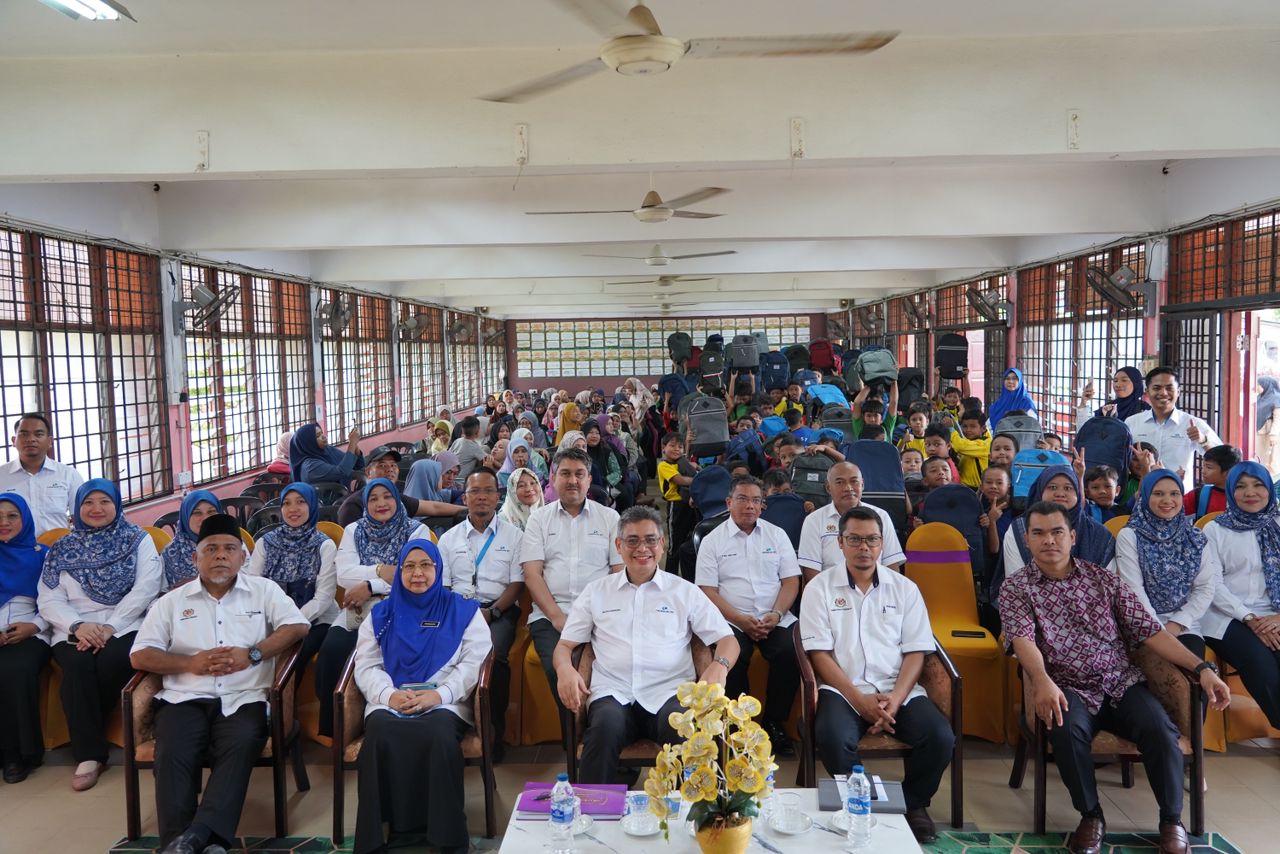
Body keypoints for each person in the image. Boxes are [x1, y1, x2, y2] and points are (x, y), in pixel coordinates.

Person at [999, 501, 1230, 854]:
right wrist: (1042, 680)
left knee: (1160, 730)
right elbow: (1022, 639)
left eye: (1057, 532)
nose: (1049, 541)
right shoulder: (1016, 588)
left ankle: (1171, 821)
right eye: (1039, 534)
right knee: (1065, 728)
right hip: (1068, 685)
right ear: (1027, 541)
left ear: (1072, 537)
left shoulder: (1103, 579)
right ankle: (1090, 816)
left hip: (1120, 682)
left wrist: (1202, 669)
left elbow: (1151, 632)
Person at [129, 513, 309, 854]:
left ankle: (197, 836)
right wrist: (190, 663)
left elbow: (297, 626)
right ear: (195, 558)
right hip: (184, 697)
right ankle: (184, 841)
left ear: (243, 557)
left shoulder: (263, 590)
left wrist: (253, 654)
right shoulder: (171, 602)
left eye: (229, 549)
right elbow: (140, 655)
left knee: (242, 741)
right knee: (172, 751)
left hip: (245, 698)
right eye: (210, 549)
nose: (221, 556)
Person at [800, 506, 954, 844]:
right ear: (840, 543)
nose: (864, 547)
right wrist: (860, 701)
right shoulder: (819, 589)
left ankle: (914, 804)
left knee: (941, 737)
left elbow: (917, 650)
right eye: (855, 539)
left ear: (882, 543)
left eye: (872, 539)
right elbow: (819, 655)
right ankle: (862, 804)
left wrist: (895, 701)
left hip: (897, 689)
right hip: (843, 689)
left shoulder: (904, 588)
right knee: (832, 736)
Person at [553, 506, 738, 784]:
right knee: (603, 729)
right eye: (632, 540)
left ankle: (686, 817)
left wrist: (719, 667)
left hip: (670, 692)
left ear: (662, 544)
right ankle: (594, 814)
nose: (643, 548)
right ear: (618, 545)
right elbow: (565, 645)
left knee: (683, 730)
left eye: (651, 539)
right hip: (613, 693)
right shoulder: (596, 592)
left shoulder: (684, 591)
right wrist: (565, 670)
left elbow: (728, 641)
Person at [352, 539, 491, 854]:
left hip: (445, 701)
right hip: (391, 701)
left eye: (426, 565)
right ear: (399, 571)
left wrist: (439, 696)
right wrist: (389, 696)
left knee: (438, 734)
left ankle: (447, 837)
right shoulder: (381, 614)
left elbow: (474, 664)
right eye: (409, 566)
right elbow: (367, 665)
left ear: (438, 569)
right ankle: (378, 837)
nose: (418, 573)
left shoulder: (463, 610)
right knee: (379, 734)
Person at [36, 478, 163, 791]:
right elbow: (49, 597)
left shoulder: (138, 539)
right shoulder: (62, 547)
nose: (96, 509)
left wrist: (110, 626)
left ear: (116, 505)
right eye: (88, 503)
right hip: (73, 628)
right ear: (77, 508)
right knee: (77, 668)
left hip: (125, 623)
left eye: (104, 502)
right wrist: (79, 626)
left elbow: (145, 588)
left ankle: (92, 727)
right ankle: (90, 755)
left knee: (112, 661)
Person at [313, 478, 432, 738]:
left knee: (385, 656)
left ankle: (386, 720)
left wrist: (369, 585)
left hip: (401, 608)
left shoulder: (416, 531)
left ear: (398, 500)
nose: (381, 503)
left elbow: (415, 576)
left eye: (387, 496)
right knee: (332, 652)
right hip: (358, 610)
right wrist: (381, 572)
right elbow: (344, 574)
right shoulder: (355, 530)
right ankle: (337, 729)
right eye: (373, 498)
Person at [695, 475, 801, 756]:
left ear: (763, 505)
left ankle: (774, 723)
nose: (750, 506)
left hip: (773, 617)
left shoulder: (777, 535)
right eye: (742, 499)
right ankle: (740, 726)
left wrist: (777, 614)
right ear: (729, 502)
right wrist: (741, 620)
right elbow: (707, 590)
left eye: (756, 500)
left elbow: (791, 581)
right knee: (735, 655)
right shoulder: (711, 540)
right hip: (731, 619)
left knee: (790, 652)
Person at [521, 447, 622, 706]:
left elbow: (619, 572)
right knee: (560, 673)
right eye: (565, 473)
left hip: (602, 614)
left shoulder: (610, 518)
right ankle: (576, 740)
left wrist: (601, 615)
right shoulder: (539, 520)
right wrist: (557, 618)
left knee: (609, 672)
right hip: (550, 616)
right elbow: (532, 574)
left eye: (580, 474)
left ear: (589, 479)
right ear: (553, 477)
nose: (572, 481)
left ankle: (599, 732)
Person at [437, 468, 524, 753]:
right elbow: (445, 587)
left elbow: (516, 585)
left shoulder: (514, 536)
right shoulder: (449, 539)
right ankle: (451, 724)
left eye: (488, 491)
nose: (482, 497)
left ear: (498, 497)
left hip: (498, 610)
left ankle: (492, 732)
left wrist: (493, 612)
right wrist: (462, 614)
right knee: (444, 654)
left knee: (494, 657)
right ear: (466, 497)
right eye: (476, 492)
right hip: (458, 610)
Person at [1201, 462, 1280, 731]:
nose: (1250, 492)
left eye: (1258, 485)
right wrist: (1250, 618)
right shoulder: (1216, 530)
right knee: (1259, 661)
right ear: (1230, 491)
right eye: (1241, 486)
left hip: (1275, 615)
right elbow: (1212, 584)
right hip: (1227, 616)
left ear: (1269, 488)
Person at [1115, 470, 1217, 662]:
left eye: (1174, 494)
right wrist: (1159, 632)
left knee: (1195, 680)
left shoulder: (1195, 537)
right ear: (1145, 497)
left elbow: (1205, 587)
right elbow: (1134, 590)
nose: (1167, 500)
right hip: (1143, 625)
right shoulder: (1130, 536)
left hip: (1185, 624)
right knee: (1165, 682)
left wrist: (1178, 623)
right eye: (1158, 493)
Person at [245, 483, 337, 673]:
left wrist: (289, 624)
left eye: (300, 502)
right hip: (272, 620)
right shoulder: (266, 542)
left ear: (311, 506)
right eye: (286, 503)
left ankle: (286, 702)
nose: (293, 509)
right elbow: (253, 587)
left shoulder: (324, 545)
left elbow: (324, 598)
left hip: (315, 620)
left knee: (293, 657)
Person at [0, 493, 51, 783]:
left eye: (12, 516)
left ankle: (18, 753)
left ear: (25, 519)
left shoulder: (41, 554)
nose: (3, 522)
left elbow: (57, 601)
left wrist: (33, 626)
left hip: (32, 629)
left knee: (15, 669)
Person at [999, 466, 1115, 589]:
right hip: (1030, 604)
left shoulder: (1099, 535)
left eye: (1068, 488)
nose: (1060, 494)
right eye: (1052, 487)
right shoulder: (1020, 529)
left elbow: (1107, 588)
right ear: (1040, 490)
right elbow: (1017, 586)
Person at [798, 462, 905, 581]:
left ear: (862, 484)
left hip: (875, 593)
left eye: (854, 481)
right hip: (830, 593)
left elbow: (892, 566)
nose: (848, 488)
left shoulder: (881, 516)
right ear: (828, 488)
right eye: (840, 482)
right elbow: (811, 575)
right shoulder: (814, 520)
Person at [1125, 367, 1222, 491]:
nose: (1164, 393)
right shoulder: (1132, 422)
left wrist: (1203, 440)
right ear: (1147, 391)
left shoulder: (1192, 423)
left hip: (1180, 499)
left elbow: (1222, 459)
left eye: (1169, 388)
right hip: (1141, 496)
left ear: (1179, 392)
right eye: (1157, 388)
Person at [0, 413, 85, 534]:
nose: (31, 439)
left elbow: (80, 519)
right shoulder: (2, 475)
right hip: (12, 551)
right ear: (14, 441)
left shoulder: (68, 475)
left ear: (50, 441)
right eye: (24, 434)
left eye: (38, 434)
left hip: (57, 548)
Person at [339, 447, 466, 527]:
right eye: (382, 466)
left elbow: (434, 507)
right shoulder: (354, 506)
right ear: (368, 473)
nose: (390, 470)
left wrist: (471, 510)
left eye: (393, 465)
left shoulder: (398, 499)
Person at [160, 490, 222, 591]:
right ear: (186, 517)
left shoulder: (233, 543)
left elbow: (245, 579)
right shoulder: (169, 554)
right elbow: (162, 592)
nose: (205, 518)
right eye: (197, 513)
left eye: (211, 512)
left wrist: (195, 583)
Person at [289, 422, 365, 485]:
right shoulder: (310, 467)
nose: (323, 437)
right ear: (308, 443)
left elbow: (357, 466)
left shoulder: (327, 450)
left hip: (342, 498)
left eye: (322, 433)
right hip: (325, 502)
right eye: (318, 436)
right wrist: (352, 443)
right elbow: (342, 472)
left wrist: (355, 447)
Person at [1076, 367, 1150, 429]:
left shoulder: (1144, 409)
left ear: (1136, 383)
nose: (1117, 384)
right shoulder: (1109, 407)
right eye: (1115, 380)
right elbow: (1084, 429)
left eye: (1124, 380)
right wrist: (1083, 402)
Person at [1183, 444, 1241, 519]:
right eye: (1203, 466)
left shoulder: (1243, 498)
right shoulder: (1198, 495)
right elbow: (1172, 512)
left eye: (1209, 467)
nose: (1203, 471)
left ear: (1227, 472)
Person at [950, 410, 992, 489]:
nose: (968, 430)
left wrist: (951, 429)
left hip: (977, 489)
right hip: (964, 486)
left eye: (973, 426)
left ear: (983, 428)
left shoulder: (985, 444)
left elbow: (960, 446)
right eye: (965, 426)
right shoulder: (970, 442)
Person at [448, 416, 488, 482]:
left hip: (451, 477)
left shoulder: (457, 441)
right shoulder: (474, 447)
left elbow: (448, 455)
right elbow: (488, 459)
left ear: (462, 430)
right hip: (462, 481)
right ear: (478, 431)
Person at [1256, 378, 1280, 477]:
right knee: (1260, 458)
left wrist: (1274, 435)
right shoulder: (1260, 397)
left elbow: (1278, 418)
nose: (1257, 387)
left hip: (1270, 434)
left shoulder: (1276, 398)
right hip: (1260, 432)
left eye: (1259, 385)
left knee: (1272, 461)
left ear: (1266, 385)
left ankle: (1275, 484)